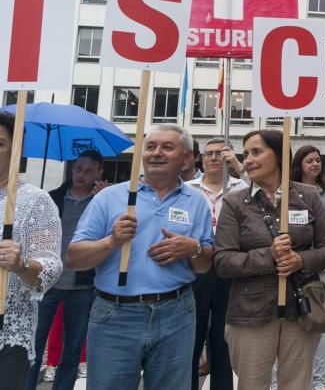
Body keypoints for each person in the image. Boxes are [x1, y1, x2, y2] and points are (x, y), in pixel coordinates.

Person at [67, 123, 215, 389]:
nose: (157, 152)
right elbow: (74, 259)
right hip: (115, 315)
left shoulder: (196, 202)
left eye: (167, 147)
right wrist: (112, 241)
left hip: (176, 314)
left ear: (185, 158)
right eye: (151, 146)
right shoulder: (110, 198)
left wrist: (192, 248)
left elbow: (205, 265)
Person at [214, 130, 325, 390]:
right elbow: (223, 261)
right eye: (245, 153)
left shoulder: (308, 196)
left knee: (295, 385)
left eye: (256, 152)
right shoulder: (235, 202)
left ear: (280, 155)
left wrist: (300, 260)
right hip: (250, 313)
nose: (247, 159)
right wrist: (268, 255)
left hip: (300, 309)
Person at [24, 150, 105, 390]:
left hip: (82, 285)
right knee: (34, 347)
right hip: (46, 283)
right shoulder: (51, 198)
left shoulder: (101, 203)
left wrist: (105, 198)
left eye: (89, 171)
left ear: (99, 173)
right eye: (78, 169)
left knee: (72, 349)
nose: (81, 175)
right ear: (72, 169)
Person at [0, 111, 62, 388]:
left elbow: (50, 267)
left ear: (16, 150)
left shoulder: (34, 201)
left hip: (7, 333)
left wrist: (21, 264)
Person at [187, 138, 246, 390]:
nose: (214, 158)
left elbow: (269, 195)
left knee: (222, 341)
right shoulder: (187, 188)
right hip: (194, 269)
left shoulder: (242, 187)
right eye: (209, 153)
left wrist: (239, 166)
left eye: (221, 154)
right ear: (200, 158)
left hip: (228, 269)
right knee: (191, 338)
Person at [290, 144, 325, 390]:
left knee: (319, 324)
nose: (315, 164)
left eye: (318, 160)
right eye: (309, 160)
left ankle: (319, 382)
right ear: (299, 165)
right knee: (288, 326)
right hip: (288, 271)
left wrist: (303, 238)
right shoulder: (285, 192)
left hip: (320, 269)